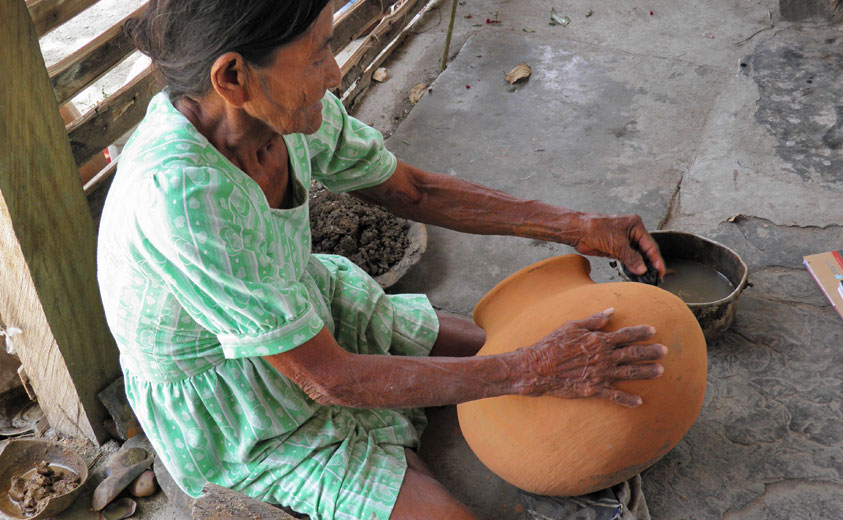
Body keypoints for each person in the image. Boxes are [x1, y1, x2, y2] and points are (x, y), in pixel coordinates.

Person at [97, 1, 669, 519]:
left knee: (510, 350)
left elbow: (413, 192)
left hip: (303, 309)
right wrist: (530, 370)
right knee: (504, 393)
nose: (335, 73)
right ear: (233, 77)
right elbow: (328, 379)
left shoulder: (279, 115)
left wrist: (577, 227)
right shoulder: (184, 198)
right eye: (319, 53)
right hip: (238, 406)